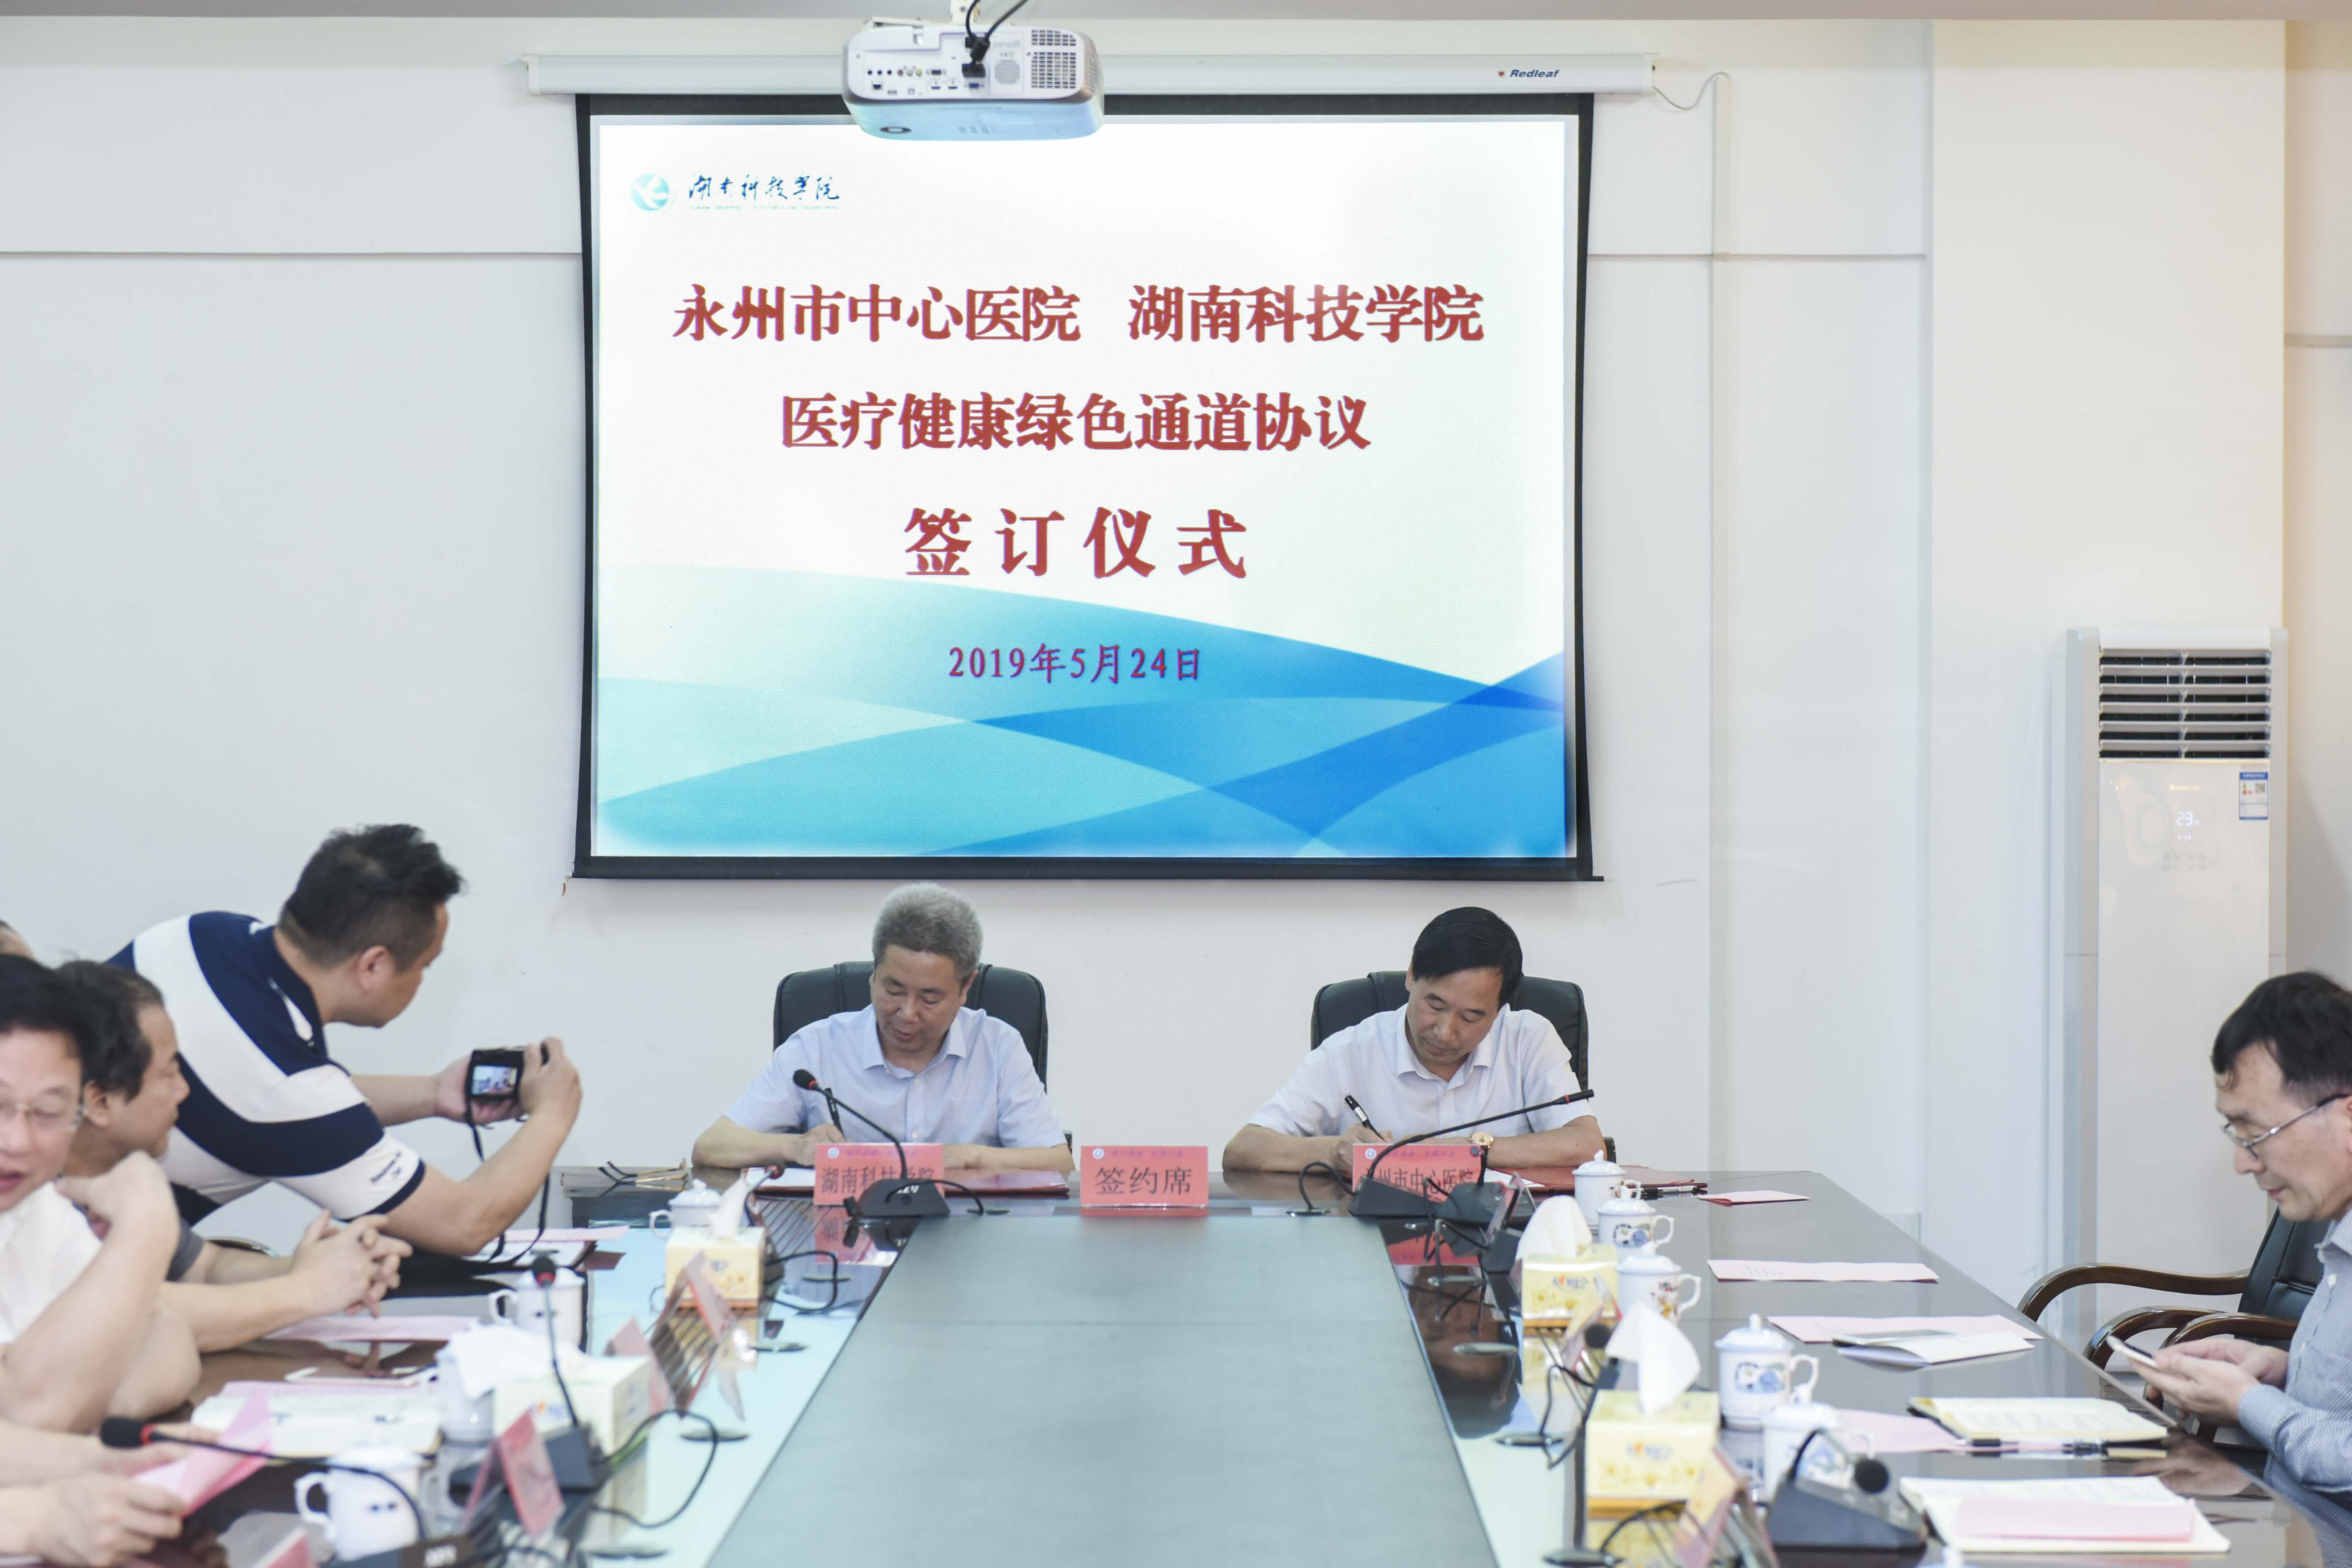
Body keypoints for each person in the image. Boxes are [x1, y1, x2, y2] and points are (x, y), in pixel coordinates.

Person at [113, 825, 584, 1257]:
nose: (421, 981)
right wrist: (553, 1114)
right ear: (373, 966)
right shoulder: (285, 1090)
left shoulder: (200, 933)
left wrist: (434, 1092)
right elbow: (464, 1223)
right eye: (424, 966)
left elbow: (269, 1092)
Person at [56, 962, 410, 1351]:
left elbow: (204, 1268)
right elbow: (135, 1317)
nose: (184, 1091)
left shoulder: (121, 1177)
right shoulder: (31, 1195)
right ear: (100, 1101)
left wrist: (325, 1266)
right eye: (169, 1074)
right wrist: (306, 1289)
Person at [2140, 972, 2352, 1489]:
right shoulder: (2338, 1231)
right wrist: (2279, 1368)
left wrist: (2247, 1402)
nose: (2244, 1162)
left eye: (2257, 1133)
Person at [694, 884, 1071, 1173]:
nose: (907, 1013)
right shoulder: (817, 1046)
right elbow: (711, 1146)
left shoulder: (998, 1046)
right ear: (874, 974)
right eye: (894, 989)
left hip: (967, 1236)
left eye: (930, 998)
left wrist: (966, 1156)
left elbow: (1059, 1163)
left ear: (965, 988)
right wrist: (795, 1148)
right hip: (843, 1239)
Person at [1223, 907, 1605, 1179]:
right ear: (1411, 977)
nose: (1445, 1031)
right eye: (1434, 1005)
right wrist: (1334, 1151)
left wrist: (1472, 1149)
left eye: (1471, 1017)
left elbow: (1588, 1145)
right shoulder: (1350, 1052)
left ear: (1499, 1009)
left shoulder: (1529, 1039)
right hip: (1373, 1246)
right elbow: (1243, 1148)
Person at [0, 957, 197, 1430]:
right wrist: (145, 1227)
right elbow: (27, 1412)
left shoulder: (36, 1206)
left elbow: (167, 1334)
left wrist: (79, 1401)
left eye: (48, 1112)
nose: (18, 1141)